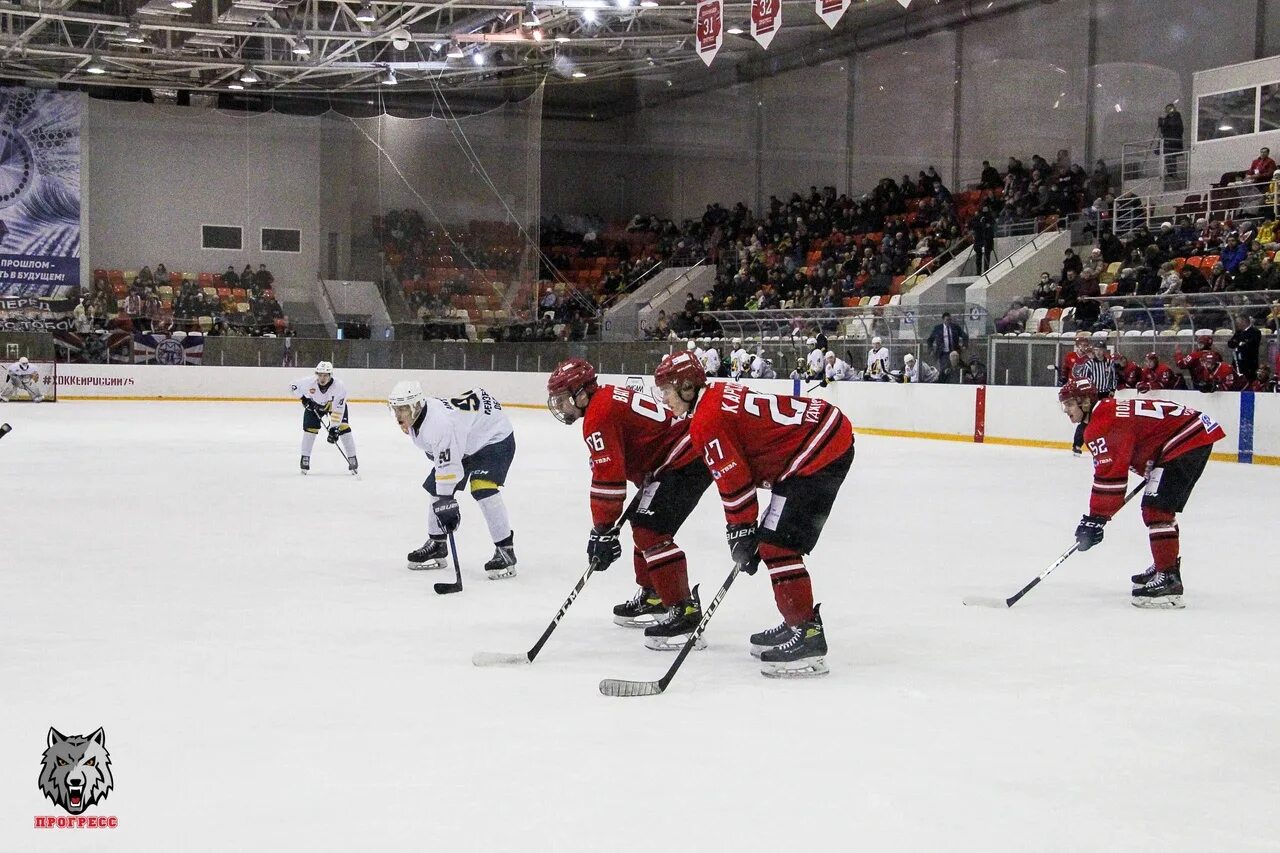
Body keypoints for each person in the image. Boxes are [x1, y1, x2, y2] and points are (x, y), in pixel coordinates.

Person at [652, 352, 854, 678]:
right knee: (771, 539)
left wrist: (742, 530)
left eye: (667, 390)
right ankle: (797, 624)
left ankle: (808, 636)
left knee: (778, 544)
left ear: (687, 388)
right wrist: (743, 532)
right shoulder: (712, 398)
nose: (664, 398)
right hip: (817, 438)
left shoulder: (706, 420)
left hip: (819, 449)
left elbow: (734, 480)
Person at [545, 359, 712, 649]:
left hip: (685, 458)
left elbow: (608, 478)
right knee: (642, 522)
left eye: (562, 399)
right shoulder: (605, 398)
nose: (559, 406)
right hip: (676, 454)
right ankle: (655, 594)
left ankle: (684, 612)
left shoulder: (598, 415)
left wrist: (602, 529)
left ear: (581, 394)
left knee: (651, 531)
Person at [1060, 378, 1226, 608]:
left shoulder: (1100, 424)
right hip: (1190, 433)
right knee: (1157, 507)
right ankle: (1164, 565)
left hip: (1186, 439)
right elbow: (1138, 440)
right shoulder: (1106, 412)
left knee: (1156, 509)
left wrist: (1094, 518)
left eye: (1069, 404)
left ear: (1085, 402)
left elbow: (1111, 476)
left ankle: (1168, 578)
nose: (1066, 410)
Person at [388, 381, 518, 580]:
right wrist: (444, 500)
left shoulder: (438, 425)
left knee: (482, 488)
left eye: (404, 409)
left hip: (494, 437)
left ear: (416, 406)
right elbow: (443, 461)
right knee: (436, 489)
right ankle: (437, 544)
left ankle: (505, 550)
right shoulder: (423, 418)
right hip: (467, 439)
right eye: (396, 409)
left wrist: (446, 503)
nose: (398, 415)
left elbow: (447, 467)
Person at [288, 361, 357, 474]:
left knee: (344, 428)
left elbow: (338, 409)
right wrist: (304, 399)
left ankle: (352, 457)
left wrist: (333, 428)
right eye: (320, 375)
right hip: (314, 406)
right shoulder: (309, 382)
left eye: (325, 375)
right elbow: (292, 386)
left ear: (330, 375)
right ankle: (305, 457)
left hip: (333, 407)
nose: (322, 378)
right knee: (310, 430)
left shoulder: (339, 386)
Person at [1228, 314, 1262, 380]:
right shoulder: (1238, 332)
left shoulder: (1255, 332)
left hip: (1249, 363)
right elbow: (1230, 343)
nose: (1237, 324)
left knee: (1249, 380)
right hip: (1237, 362)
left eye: (1238, 323)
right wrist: (1239, 343)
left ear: (1244, 322)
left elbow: (1250, 345)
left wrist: (1238, 343)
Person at [1157, 103, 1183, 177]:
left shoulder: (1177, 116)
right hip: (1168, 141)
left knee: (1172, 157)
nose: (1169, 111)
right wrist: (1161, 124)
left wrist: (1164, 122)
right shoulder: (1168, 118)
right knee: (1168, 158)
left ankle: (1173, 173)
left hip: (1174, 141)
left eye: (1170, 109)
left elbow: (1173, 124)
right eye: (1167, 109)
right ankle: (1170, 173)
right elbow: (1163, 130)